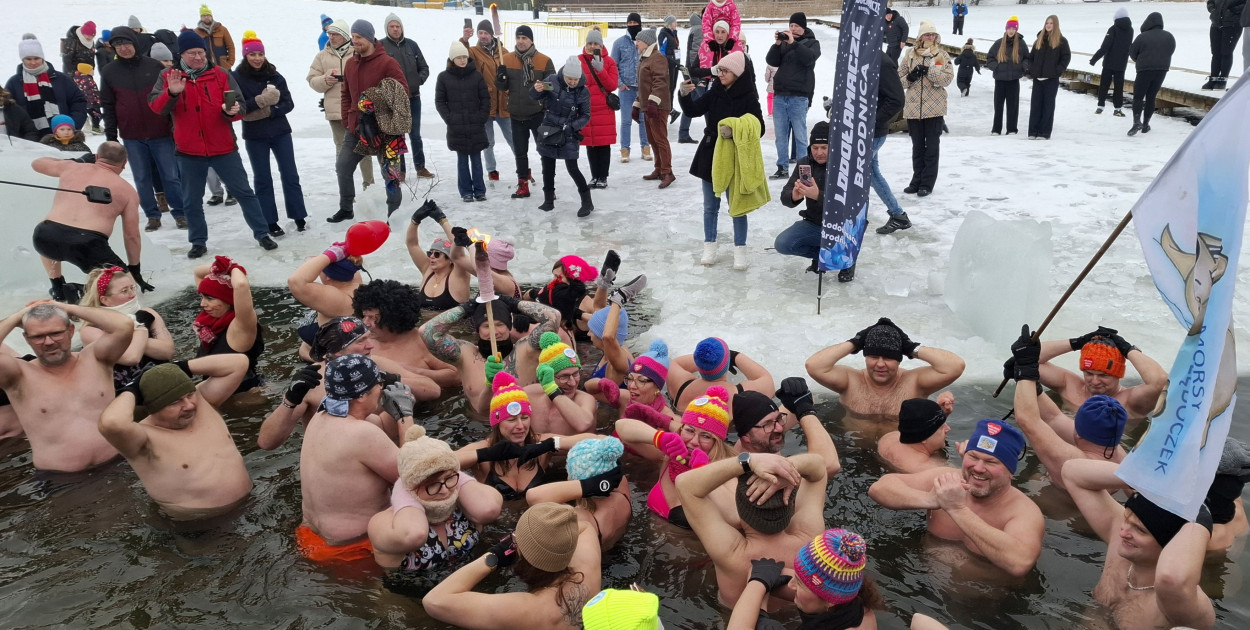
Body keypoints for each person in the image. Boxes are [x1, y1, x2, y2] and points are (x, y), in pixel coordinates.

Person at [149, 30, 277, 257]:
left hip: (223, 147)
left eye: (201, 52)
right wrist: (171, 93)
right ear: (182, 54)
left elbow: (240, 105)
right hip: (189, 151)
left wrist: (232, 112)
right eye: (192, 53)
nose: (198, 57)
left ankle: (262, 234)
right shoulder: (169, 76)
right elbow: (156, 108)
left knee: (245, 193)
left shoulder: (221, 74)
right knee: (191, 201)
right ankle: (198, 241)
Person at [870, 419, 1044, 576]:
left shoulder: (1023, 511)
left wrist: (956, 509)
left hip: (986, 601)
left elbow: (1020, 562)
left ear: (1010, 472)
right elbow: (880, 488)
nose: (978, 468)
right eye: (973, 457)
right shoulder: (946, 480)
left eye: (991, 462)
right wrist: (931, 499)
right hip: (921, 577)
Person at [1062, 458, 1216, 629]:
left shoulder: (1178, 603)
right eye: (1126, 520)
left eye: (1140, 530)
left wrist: (1201, 517)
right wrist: (1145, 479)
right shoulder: (1119, 539)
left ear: (1169, 543)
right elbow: (1072, 472)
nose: (1123, 532)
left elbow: (1171, 580)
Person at [99, 356, 252, 520]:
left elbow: (238, 363)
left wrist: (175, 368)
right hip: (200, 525)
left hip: (251, 503)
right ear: (154, 407)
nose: (189, 405)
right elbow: (111, 423)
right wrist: (133, 389)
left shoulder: (204, 402)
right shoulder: (143, 439)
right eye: (175, 402)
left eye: (189, 394)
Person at [259, 316, 439, 450]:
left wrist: (392, 380)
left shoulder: (376, 363)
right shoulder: (312, 382)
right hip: (339, 460)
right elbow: (267, 443)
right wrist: (290, 400)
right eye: (361, 341)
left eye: (369, 338)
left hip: (383, 448)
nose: (371, 346)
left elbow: (434, 390)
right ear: (336, 351)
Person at [677, 450, 828, 607]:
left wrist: (747, 460)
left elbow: (684, 484)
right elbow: (819, 466)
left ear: (741, 512)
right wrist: (786, 468)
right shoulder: (809, 538)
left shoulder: (731, 552)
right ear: (790, 506)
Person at [296, 354, 410, 562]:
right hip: (353, 547)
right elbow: (414, 476)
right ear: (362, 395)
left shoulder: (320, 418)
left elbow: (376, 427)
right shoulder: (361, 434)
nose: (381, 388)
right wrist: (405, 416)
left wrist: (392, 410)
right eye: (379, 384)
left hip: (309, 538)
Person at [424, 502, 602, 629]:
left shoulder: (525, 609)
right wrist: (549, 536)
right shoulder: (587, 570)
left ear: (523, 552)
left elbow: (434, 601)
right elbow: (585, 526)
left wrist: (494, 556)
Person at [0, 301, 133, 472]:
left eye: (56, 333)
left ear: (71, 331)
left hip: (119, 464)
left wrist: (68, 308)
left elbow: (124, 325)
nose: (48, 342)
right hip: (60, 481)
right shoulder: (18, 375)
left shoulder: (96, 359)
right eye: (38, 336)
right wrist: (19, 315)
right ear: (26, 339)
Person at [367, 425, 503, 571]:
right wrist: (403, 484)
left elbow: (489, 509)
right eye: (432, 485)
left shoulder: (465, 504)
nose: (444, 491)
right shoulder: (383, 523)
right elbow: (413, 534)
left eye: (450, 478)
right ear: (411, 486)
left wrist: (451, 471)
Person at [805, 317, 965, 436]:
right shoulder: (850, 381)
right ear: (865, 357)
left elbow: (955, 366)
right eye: (873, 357)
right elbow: (814, 366)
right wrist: (855, 342)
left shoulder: (914, 382)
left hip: (902, 453)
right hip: (854, 453)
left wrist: (912, 348)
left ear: (899, 359)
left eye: (888, 357)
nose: (880, 364)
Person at [29, 143, 147, 303]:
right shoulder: (128, 191)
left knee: (52, 233)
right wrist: (134, 269)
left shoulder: (72, 167)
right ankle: (80, 291)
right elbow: (132, 235)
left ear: (97, 157)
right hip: (86, 245)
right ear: (125, 163)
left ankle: (57, 286)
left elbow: (37, 163)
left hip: (44, 237)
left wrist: (76, 161)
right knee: (124, 286)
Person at [678, 50, 762, 268]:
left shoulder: (749, 96)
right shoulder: (715, 91)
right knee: (710, 206)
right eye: (719, 70)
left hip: (735, 156)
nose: (720, 74)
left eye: (724, 70)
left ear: (737, 72)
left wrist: (736, 129)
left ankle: (740, 250)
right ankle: (710, 247)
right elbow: (695, 110)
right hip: (711, 152)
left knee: (737, 205)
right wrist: (684, 95)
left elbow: (758, 126)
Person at [100, 25, 186, 232]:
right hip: (132, 135)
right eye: (118, 45)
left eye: (127, 43)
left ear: (135, 44)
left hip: (161, 132)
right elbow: (108, 104)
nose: (123, 48)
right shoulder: (109, 71)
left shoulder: (154, 66)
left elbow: (169, 98)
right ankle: (152, 215)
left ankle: (180, 213)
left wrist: (174, 126)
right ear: (113, 48)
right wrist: (111, 135)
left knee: (170, 176)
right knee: (141, 178)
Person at [615, 386, 740, 528]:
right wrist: (659, 438)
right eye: (689, 430)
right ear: (681, 429)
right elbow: (621, 427)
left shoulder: (725, 471)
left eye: (706, 436)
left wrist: (702, 472)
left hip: (687, 549)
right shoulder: (669, 455)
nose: (693, 441)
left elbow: (735, 517)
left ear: (717, 442)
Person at [456, 373, 592, 501]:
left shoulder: (540, 443)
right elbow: (440, 462)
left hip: (535, 521)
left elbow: (598, 442)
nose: (520, 426)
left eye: (525, 417)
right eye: (511, 420)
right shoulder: (485, 448)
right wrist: (485, 455)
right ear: (497, 423)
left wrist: (550, 445)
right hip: (495, 523)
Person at [327, 20, 409, 223]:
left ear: (370, 38)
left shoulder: (388, 63)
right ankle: (346, 208)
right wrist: (348, 119)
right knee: (343, 167)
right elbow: (346, 94)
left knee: (391, 175)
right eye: (353, 37)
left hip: (386, 130)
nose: (355, 41)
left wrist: (375, 99)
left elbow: (403, 92)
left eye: (359, 37)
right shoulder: (351, 64)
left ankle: (394, 215)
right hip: (357, 129)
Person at [727, 528, 883, 630]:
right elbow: (757, 569)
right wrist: (760, 582)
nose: (791, 584)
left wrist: (757, 589)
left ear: (830, 599)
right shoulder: (853, 602)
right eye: (796, 575)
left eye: (800, 583)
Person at [234, 31, 308, 235]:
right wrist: (261, 100)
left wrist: (270, 111)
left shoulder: (275, 76)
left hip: (280, 132)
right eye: (252, 54)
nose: (257, 58)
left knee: (290, 174)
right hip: (255, 136)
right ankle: (269, 221)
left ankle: (299, 215)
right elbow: (236, 107)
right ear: (245, 55)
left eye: (260, 54)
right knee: (262, 178)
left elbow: (288, 103)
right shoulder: (236, 77)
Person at [1037, 326, 1167, 421]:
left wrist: (1128, 350)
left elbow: (1160, 382)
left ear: (1118, 374)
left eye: (1103, 375)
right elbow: (1028, 359)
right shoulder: (1069, 385)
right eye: (1088, 373)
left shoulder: (1130, 401)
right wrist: (1078, 342)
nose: (1094, 381)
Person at [351, 278, 460, 390]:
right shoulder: (359, 340)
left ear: (393, 318)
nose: (365, 323)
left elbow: (457, 375)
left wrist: (411, 371)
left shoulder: (424, 339)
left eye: (373, 318)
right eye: (364, 316)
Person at [525, 436, 631, 550]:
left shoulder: (581, 519)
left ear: (573, 480)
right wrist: (553, 443)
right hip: (619, 548)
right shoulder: (622, 489)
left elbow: (533, 497)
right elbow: (603, 442)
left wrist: (587, 486)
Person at [78, 266, 174, 390]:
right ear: (105, 300)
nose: (132, 294)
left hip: (163, 379)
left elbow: (167, 351)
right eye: (124, 291)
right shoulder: (91, 330)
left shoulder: (148, 313)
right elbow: (131, 357)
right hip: (125, 391)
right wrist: (140, 327)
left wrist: (124, 338)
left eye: (132, 288)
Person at [307, 19, 375, 192]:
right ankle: (346, 192)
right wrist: (324, 80)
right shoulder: (322, 56)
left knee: (364, 148)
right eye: (330, 34)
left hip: (357, 110)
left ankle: (369, 186)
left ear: (345, 36)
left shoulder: (357, 52)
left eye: (335, 34)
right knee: (341, 151)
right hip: (335, 112)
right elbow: (311, 79)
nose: (331, 37)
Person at [732, 378, 841, 477]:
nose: (779, 428)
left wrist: (796, 394)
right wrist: (806, 410)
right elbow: (829, 465)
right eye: (768, 424)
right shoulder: (761, 474)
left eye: (779, 418)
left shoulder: (755, 440)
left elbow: (795, 407)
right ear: (746, 436)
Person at [497, 26, 556, 200]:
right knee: (520, 152)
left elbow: (553, 86)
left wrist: (542, 88)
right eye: (518, 38)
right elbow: (502, 87)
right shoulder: (506, 60)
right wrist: (500, 77)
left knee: (545, 151)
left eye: (524, 38)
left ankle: (549, 187)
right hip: (516, 114)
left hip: (538, 114)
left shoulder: (544, 60)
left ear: (531, 40)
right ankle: (523, 185)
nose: (521, 41)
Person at [531, 57, 594, 216]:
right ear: (564, 75)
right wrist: (536, 89)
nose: (573, 82)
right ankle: (548, 201)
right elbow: (535, 96)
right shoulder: (552, 80)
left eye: (575, 79)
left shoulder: (583, 90)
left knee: (573, 168)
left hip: (569, 132)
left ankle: (587, 202)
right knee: (547, 166)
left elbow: (586, 115)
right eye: (569, 78)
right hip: (549, 129)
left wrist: (572, 127)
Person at [192, 256, 265, 393]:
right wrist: (220, 270)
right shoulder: (211, 321)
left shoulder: (241, 323)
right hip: (214, 388)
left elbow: (241, 285)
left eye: (209, 298)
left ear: (229, 300)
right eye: (202, 297)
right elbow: (198, 272)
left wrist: (233, 267)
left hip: (243, 396)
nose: (202, 304)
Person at [898, 20, 952, 198]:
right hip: (914, 108)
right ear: (920, 37)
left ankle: (927, 183)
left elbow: (946, 80)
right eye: (927, 34)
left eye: (933, 34)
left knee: (932, 148)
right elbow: (898, 80)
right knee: (917, 147)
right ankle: (916, 180)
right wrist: (912, 76)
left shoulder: (940, 54)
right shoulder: (910, 54)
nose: (930, 37)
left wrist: (930, 71)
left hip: (934, 108)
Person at [765, 12, 820, 181]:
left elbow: (809, 59)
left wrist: (793, 43)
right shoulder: (784, 44)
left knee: (801, 137)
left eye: (796, 26)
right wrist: (777, 44)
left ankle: (804, 172)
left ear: (803, 27)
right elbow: (772, 61)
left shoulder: (812, 43)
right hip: (780, 96)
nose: (793, 29)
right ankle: (782, 167)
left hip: (799, 97)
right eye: (791, 26)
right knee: (781, 136)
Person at [435, 41, 490, 203]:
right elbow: (440, 101)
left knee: (476, 158)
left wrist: (481, 117)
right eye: (458, 57)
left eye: (464, 57)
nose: (462, 60)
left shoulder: (477, 76)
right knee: (462, 159)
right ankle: (466, 191)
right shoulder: (443, 78)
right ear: (452, 59)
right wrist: (450, 119)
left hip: (475, 124)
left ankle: (480, 190)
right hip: (456, 126)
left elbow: (485, 99)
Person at [459, 20, 512, 183]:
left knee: (514, 139)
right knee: (488, 142)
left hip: (503, 104)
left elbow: (511, 74)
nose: (483, 36)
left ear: (492, 35)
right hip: (485, 105)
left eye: (486, 33)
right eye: (480, 33)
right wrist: (464, 40)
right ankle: (492, 170)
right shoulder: (474, 51)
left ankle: (522, 168)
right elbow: (463, 56)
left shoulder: (504, 52)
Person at [381, 13, 432, 179]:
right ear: (387, 28)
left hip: (414, 97)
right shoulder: (381, 47)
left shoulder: (412, 45)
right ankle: (401, 171)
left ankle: (421, 168)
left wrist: (418, 80)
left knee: (415, 135)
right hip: (394, 100)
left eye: (398, 26)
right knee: (398, 135)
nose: (396, 29)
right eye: (392, 26)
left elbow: (424, 67)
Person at [774, 122, 831, 270]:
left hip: (841, 227)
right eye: (815, 148)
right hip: (814, 222)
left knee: (846, 246)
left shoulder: (842, 165)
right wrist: (793, 196)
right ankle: (819, 256)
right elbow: (785, 195)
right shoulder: (805, 164)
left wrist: (818, 195)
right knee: (783, 244)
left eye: (824, 148)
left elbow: (848, 203)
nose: (819, 153)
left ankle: (847, 262)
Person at [5, 34, 88, 134]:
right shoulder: (14, 83)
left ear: (42, 58)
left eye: (36, 58)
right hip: (29, 140)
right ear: (22, 60)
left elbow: (78, 102)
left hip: (62, 137)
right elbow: (7, 112)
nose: (33, 62)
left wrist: (71, 125)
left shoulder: (61, 79)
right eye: (28, 59)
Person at [667, 337, 775, 412]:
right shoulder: (740, 395)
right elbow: (767, 380)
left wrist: (703, 360)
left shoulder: (681, 386)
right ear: (726, 363)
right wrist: (735, 356)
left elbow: (674, 363)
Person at [522, 332, 596, 435]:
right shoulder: (529, 395)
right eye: (564, 376)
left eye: (575, 374)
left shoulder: (584, 399)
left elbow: (583, 423)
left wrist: (552, 390)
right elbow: (495, 411)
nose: (572, 383)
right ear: (547, 376)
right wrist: (491, 383)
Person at [405, 210, 472, 311]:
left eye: (437, 254)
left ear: (450, 259)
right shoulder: (428, 270)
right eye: (430, 253)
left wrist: (442, 220)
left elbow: (457, 243)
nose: (431, 256)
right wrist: (415, 221)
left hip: (454, 327)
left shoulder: (459, 275)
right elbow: (412, 245)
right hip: (423, 325)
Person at [635, 30, 675, 190]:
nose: (636, 43)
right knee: (652, 139)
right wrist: (637, 103)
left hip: (657, 106)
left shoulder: (657, 58)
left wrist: (652, 102)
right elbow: (643, 86)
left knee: (660, 139)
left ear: (647, 42)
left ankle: (667, 172)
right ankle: (659, 168)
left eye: (638, 40)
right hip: (648, 106)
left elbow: (660, 82)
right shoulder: (645, 58)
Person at [578, 30, 618, 189]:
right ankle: (594, 176)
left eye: (596, 44)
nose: (592, 46)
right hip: (586, 109)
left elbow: (612, 85)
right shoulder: (578, 60)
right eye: (590, 43)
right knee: (590, 144)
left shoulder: (609, 62)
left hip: (603, 109)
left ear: (601, 46)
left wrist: (600, 70)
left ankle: (603, 176)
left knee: (602, 145)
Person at [1128, 13, 1176, 136]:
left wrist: (1139, 59)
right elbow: (1171, 51)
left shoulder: (1142, 37)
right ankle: (1146, 124)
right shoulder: (1169, 36)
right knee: (1151, 97)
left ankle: (1136, 121)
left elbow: (1133, 53)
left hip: (1144, 70)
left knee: (1138, 97)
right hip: (1161, 70)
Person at [877, 398, 952, 473]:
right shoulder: (928, 469)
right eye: (941, 427)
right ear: (923, 437)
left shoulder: (888, 439)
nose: (948, 429)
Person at [612, 13, 649, 165]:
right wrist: (620, 83)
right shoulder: (619, 43)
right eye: (630, 22)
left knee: (643, 119)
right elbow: (613, 65)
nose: (632, 25)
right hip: (626, 89)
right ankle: (625, 149)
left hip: (642, 88)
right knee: (626, 120)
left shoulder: (645, 42)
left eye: (635, 22)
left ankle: (645, 147)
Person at [1026, 16, 1070, 140]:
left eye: (1051, 23)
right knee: (1035, 106)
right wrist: (1032, 69)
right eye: (1047, 23)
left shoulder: (1061, 41)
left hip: (1051, 79)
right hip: (1038, 79)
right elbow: (1030, 57)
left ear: (1055, 25)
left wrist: (1057, 70)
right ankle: (1032, 132)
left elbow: (1066, 58)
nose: (1049, 25)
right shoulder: (1039, 40)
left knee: (1048, 106)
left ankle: (1044, 133)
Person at [985, 16, 1029, 136]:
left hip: (1014, 80)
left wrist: (1022, 67)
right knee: (998, 106)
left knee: (1013, 106)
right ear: (1006, 29)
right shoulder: (999, 43)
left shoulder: (1021, 43)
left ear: (1016, 30)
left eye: (1013, 28)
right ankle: (996, 129)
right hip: (1000, 80)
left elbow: (1027, 58)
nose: (1011, 31)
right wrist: (996, 67)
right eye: (1009, 28)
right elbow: (989, 58)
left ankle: (1012, 129)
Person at [1090, 8, 1133, 117]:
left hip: (1109, 63)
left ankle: (1100, 106)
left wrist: (1094, 59)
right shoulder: (1131, 30)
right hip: (1121, 64)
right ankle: (1117, 109)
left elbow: (1105, 46)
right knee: (1119, 87)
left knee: (1104, 85)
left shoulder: (1113, 29)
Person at [1205, 0, 1244, 90]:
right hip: (1216, 23)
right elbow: (1210, 2)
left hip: (1233, 24)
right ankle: (1213, 78)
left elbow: (1246, 4)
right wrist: (1213, 10)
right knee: (1215, 52)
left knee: (1226, 52)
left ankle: (1223, 79)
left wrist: (1234, 10)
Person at [679, 12, 704, 144]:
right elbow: (696, 52)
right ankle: (712, 130)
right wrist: (697, 73)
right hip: (697, 73)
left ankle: (683, 133)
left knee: (690, 103)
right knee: (706, 102)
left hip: (691, 71)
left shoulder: (694, 29)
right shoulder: (700, 29)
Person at [701, 0, 743, 68]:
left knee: (736, 51)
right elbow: (705, 24)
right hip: (714, 36)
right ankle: (709, 74)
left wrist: (732, 38)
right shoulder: (710, 7)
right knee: (706, 51)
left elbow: (736, 23)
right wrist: (710, 40)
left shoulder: (731, 6)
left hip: (728, 36)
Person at [194, 4, 236, 71]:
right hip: (206, 68)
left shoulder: (222, 29)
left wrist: (230, 63)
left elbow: (230, 46)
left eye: (208, 15)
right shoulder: (196, 32)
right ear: (201, 18)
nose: (206, 17)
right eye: (204, 16)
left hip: (224, 67)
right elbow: (194, 50)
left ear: (212, 16)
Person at [659, 16, 681, 120]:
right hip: (668, 64)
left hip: (675, 64)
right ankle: (668, 110)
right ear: (669, 23)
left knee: (672, 87)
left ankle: (670, 109)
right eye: (674, 22)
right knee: (668, 87)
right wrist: (669, 60)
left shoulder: (673, 33)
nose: (676, 24)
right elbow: (662, 51)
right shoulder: (664, 34)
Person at [71, 63, 102, 134]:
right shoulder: (87, 80)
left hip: (87, 102)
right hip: (91, 101)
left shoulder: (79, 78)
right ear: (86, 71)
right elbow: (89, 93)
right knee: (97, 114)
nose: (93, 71)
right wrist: (94, 102)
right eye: (91, 70)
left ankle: (93, 126)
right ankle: (96, 128)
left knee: (93, 114)